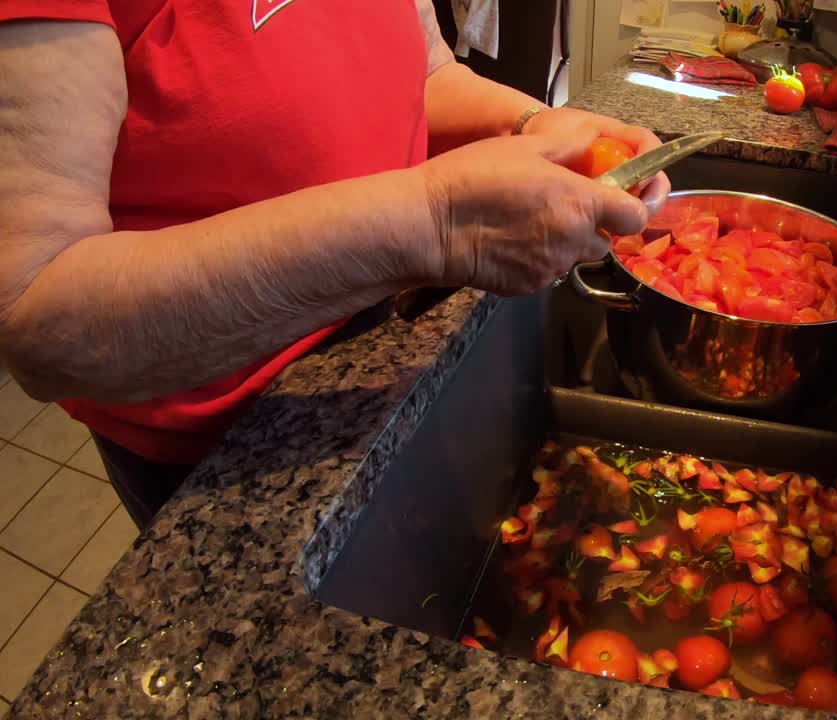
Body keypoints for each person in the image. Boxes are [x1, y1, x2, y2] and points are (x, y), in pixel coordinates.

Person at [0, 1, 671, 528]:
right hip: (227, 444)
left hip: (376, 344)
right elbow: (39, 313)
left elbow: (425, 73)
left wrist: (537, 127)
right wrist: (433, 223)